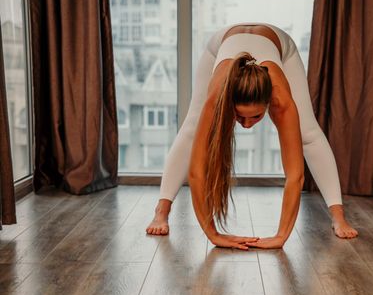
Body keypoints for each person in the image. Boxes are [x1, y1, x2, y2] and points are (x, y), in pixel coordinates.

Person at [146, 22, 358, 248]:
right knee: (191, 128)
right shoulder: (216, 98)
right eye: (239, 117)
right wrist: (214, 235)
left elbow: (295, 176)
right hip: (222, 43)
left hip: (279, 44)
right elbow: (197, 173)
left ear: (268, 103)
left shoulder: (282, 102)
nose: (246, 125)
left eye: (256, 117)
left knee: (308, 132)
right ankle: (161, 210)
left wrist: (280, 237)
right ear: (229, 104)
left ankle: (338, 216)